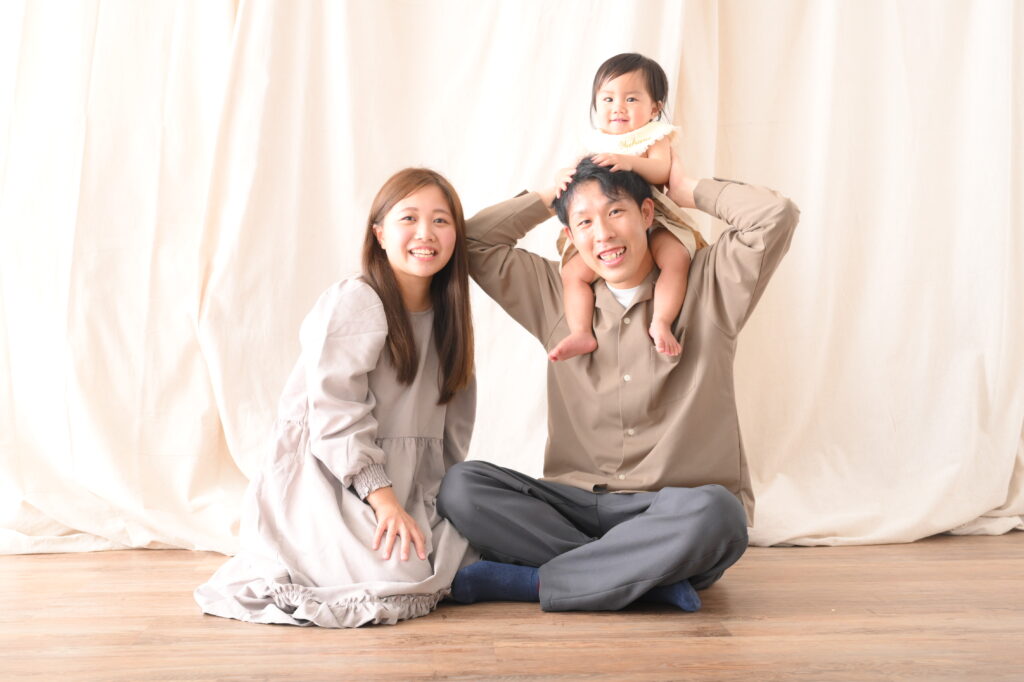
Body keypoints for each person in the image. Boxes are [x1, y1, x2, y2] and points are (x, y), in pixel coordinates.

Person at [438, 154, 799, 613]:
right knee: (462, 486)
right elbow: (471, 243)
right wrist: (549, 196)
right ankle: (641, 579)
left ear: (647, 214)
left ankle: (537, 582)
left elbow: (775, 215)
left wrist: (683, 186)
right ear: (570, 236)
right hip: (573, 506)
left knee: (720, 514)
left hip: (668, 514)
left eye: (615, 212)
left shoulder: (710, 285)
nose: (603, 233)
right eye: (585, 222)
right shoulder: (557, 295)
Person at [195, 168, 478, 628]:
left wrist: (550, 196)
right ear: (379, 234)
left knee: (456, 548)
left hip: (410, 483)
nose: (426, 233)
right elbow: (335, 415)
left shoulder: (450, 317)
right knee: (401, 573)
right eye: (409, 218)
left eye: (441, 221)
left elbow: (452, 430)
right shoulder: (358, 301)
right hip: (332, 480)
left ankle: (518, 580)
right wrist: (384, 501)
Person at [550, 52, 708, 362]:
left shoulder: (654, 137)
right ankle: (581, 331)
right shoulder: (596, 141)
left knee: (675, 258)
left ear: (655, 108)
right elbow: (575, 173)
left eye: (631, 99)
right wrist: (559, 177)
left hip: (657, 218)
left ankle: (661, 321)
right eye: (608, 99)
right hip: (611, 221)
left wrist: (629, 162)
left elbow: (662, 171)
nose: (618, 108)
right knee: (573, 272)